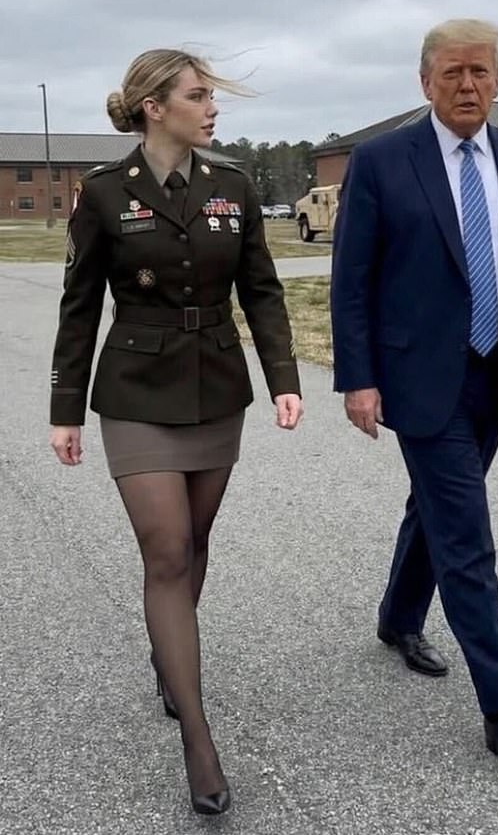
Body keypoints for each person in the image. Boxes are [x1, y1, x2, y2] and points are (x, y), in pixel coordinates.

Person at [49, 48, 303, 816]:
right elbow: (80, 303)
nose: (212, 107)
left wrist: (284, 380)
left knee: (194, 542)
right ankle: (198, 736)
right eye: (199, 95)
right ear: (155, 106)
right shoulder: (102, 193)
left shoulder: (233, 185)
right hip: (134, 387)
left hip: (218, 385)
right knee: (164, 550)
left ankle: (171, 660)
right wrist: (65, 409)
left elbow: (260, 289)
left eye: (212, 97)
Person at [330, 19, 498, 778]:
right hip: (417, 376)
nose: (467, 85)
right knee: (467, 534)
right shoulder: (381, 162)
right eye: (452, 74)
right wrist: (359, 378)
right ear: (425, 82)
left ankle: (398, 618)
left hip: (496, 371)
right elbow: (352, 282)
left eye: (480, 72)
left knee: (437, 509)